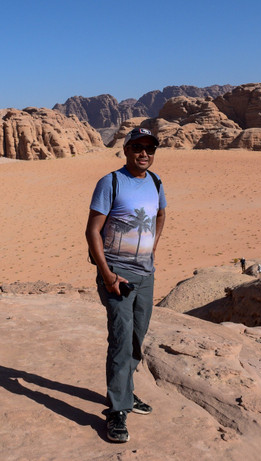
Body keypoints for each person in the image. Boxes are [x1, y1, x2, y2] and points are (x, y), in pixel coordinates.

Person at [85, 127, 167, 443]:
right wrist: (107, 275)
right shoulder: (111, 182)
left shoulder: (156, 182)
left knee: (136, 338)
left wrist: (152, 245)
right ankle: (118, 409)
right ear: (126, 150)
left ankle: (126, 392)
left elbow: (161, 214)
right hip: (118, 274)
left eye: (150, 148)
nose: (144, 153)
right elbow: (92, 231)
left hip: (146, 275)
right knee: (121, 339)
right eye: (137, 147)